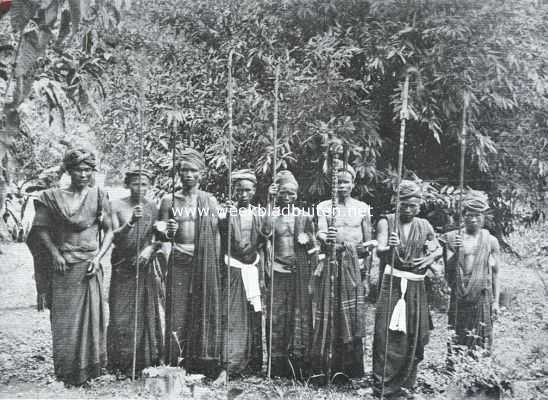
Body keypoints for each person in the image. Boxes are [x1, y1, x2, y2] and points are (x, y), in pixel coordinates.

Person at [32, 148, 113, 385]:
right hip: (64, 265)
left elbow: (109, 230)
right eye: (79, 169)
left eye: (88, 170)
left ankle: (90, 370)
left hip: (89, 263)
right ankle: (66, 371)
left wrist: (98, 257)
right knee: (64, 319)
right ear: (69, 170)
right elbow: (40, 230)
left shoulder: (99, 195)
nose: (84, 174)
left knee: (93, 318)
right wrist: (55, 254)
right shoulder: (52, 197)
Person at [372, 180, 442, 399]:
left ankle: (406, 384)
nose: (408, 209)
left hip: (416, 286)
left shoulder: (424, 225)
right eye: (404, 205)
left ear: (419, 205)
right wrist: (388, 247)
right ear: (397, 203)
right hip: (392, 283)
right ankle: (384, 385)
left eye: (413, 205)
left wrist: (431, 256)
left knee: (414, 333)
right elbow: (380, 250)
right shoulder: (387, 222)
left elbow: (437, 248)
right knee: (387, 334)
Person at [159, 148, 223, 377]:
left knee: (201, 309)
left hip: (203, 261)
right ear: (178, 173)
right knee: (177, 311)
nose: (188, 174)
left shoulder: (208, 201)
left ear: (201, 174)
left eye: (192, 170)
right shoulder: (169, 200)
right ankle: (175, 361)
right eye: (183, 170)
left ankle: (200, 362)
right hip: (178, 258)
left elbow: (215, 233)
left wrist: (214, 264)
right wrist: (169, 233)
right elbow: (160, 233)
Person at [312, 161, 374, 382]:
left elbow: (368, 245)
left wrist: (366, 276)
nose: (341, 186)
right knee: (331, 313)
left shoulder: (363, 209)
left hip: (354, 267)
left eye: (346, 182)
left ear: (353, 184)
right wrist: (324, 236)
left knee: (353, 315)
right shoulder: (323, 207)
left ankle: (351, 369)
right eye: (338, 182)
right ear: (332, 183)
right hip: (332, 264)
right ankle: (328, 366)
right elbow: (319, 231)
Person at [107, 169, 165, 374]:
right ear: (127, 185)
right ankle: (121, 361)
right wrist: (130, 221)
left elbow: (160, 238)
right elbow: (113, 237)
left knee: (145, 310)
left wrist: (150, 249)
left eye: (144, 184)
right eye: (135, 184)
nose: (140, 188)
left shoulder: (153, 207)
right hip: (123, 265)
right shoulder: (115, 205)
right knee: (121, 313)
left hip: (144, 265)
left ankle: (145, 359)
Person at [264, 170, 318, 378]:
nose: (287, 197)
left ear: (297, 195)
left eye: (292, 193)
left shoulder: (304, 217)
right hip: (278, 272)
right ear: (277, 193)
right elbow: (266, 232)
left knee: (300, 317)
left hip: (299, 273)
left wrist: (313, 276)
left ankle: (298, 365)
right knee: (276, 318)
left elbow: (313, 248)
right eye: (283, 193)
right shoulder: (271, 215)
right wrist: (270, 202)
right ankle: (276, 366)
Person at [220, 169, 267, 375]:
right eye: (239, 190)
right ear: (234, 191)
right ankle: (233, 362)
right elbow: (221, 234)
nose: (244, 194)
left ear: (254, 190)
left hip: (253, 267)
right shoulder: (226, 212)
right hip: (234, 268)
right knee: (234, 316)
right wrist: (225, 218)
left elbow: (265, 238)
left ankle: (254, 363)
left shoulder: (260, 213)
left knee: (254, 315)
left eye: (248, 190)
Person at [442, 190, 500, 350]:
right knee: (457, 332)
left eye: (478, 215)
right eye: (469, 215)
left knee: (482, 335)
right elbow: (448, 269)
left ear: (484, 217)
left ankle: (479, 369)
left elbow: (495, 273)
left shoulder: (491, 241)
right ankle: (455, 368)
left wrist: (496, 301)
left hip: (482, 294)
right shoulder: (453, 238)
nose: (473, 219)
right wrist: (458, 251)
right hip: (459, 294)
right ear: (463, 216)